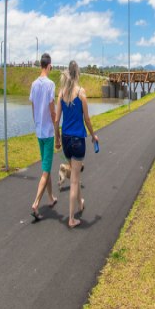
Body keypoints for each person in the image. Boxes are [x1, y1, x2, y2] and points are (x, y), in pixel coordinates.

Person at [54, 60, 99, 228]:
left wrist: (57, 139)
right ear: (78, 73)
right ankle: (71, 219)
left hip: (65, 139)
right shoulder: (81, 93)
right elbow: (86, 118)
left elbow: (57, 119)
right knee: (74, 180)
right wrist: (93, 135)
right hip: (78, 140)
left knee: (74, 173)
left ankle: (80, 202)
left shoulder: (61, 93)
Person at [29, 53, 57, 221]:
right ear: (49, 66)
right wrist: (56, 130)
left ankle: (51, 197)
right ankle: (36, 203)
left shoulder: (34, 84)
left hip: (39, 131)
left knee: (47, 166)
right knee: (46, 170)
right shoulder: (50, 84)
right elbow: (52, 110)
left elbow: (33, 107)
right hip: (48, 132)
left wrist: (37, 123)